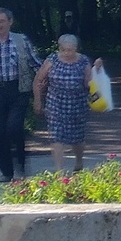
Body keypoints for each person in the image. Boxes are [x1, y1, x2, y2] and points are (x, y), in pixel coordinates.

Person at [0, 8, 45, 182]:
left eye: (2, 21)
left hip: (18, 90)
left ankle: (20, 167)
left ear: (10, 22)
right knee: (0, 133)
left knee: (14, 127)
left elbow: (35, 63)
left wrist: (44, 80)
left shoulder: (21, 41)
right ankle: (6, 171)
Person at [33, 34, 102, 172]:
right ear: (60, 48)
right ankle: (59, 171)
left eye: (70, 50)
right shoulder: (52, 60)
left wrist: (97, 70)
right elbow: (38, 81)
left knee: (77, 137)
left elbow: (89, 84)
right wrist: (37, 101)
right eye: (64, 50)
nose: (67, 53)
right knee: (56, 135)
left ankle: (79, 161)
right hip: (55, 103)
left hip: (77, 104)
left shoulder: (83, 61)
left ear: (76, 49)